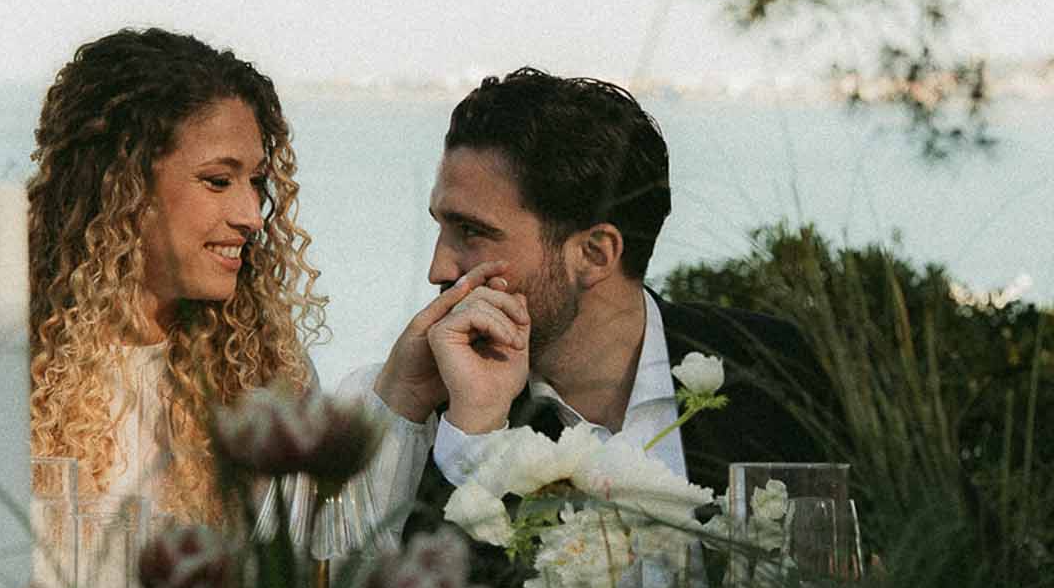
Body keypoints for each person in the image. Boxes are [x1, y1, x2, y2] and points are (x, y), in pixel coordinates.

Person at [0, 28, 323, 558]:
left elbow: (325, 580)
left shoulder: (266, 379)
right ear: (120, 185)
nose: (250, 217)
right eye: (218, 181)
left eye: (257, 182)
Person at [349, 66, 821, 529]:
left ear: (595, 254)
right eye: (442, 227)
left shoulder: (778, 368)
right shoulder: (426, 410)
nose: (439, 269)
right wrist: (474, 430)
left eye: (472, 232)